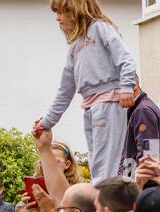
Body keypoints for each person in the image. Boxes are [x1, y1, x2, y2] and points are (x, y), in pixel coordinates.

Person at [35, 0, 137, 182]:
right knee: (96, 161)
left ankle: (105, 198)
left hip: (109, 102)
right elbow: (65, 90)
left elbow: (126, 59)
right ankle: (100, 197)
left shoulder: (100, 29)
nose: (58, 19)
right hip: (90, 106)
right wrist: (46, 122)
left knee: (107, 160)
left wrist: (126, 86)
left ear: (74, 10)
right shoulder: (75, 47)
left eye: (61, 12)